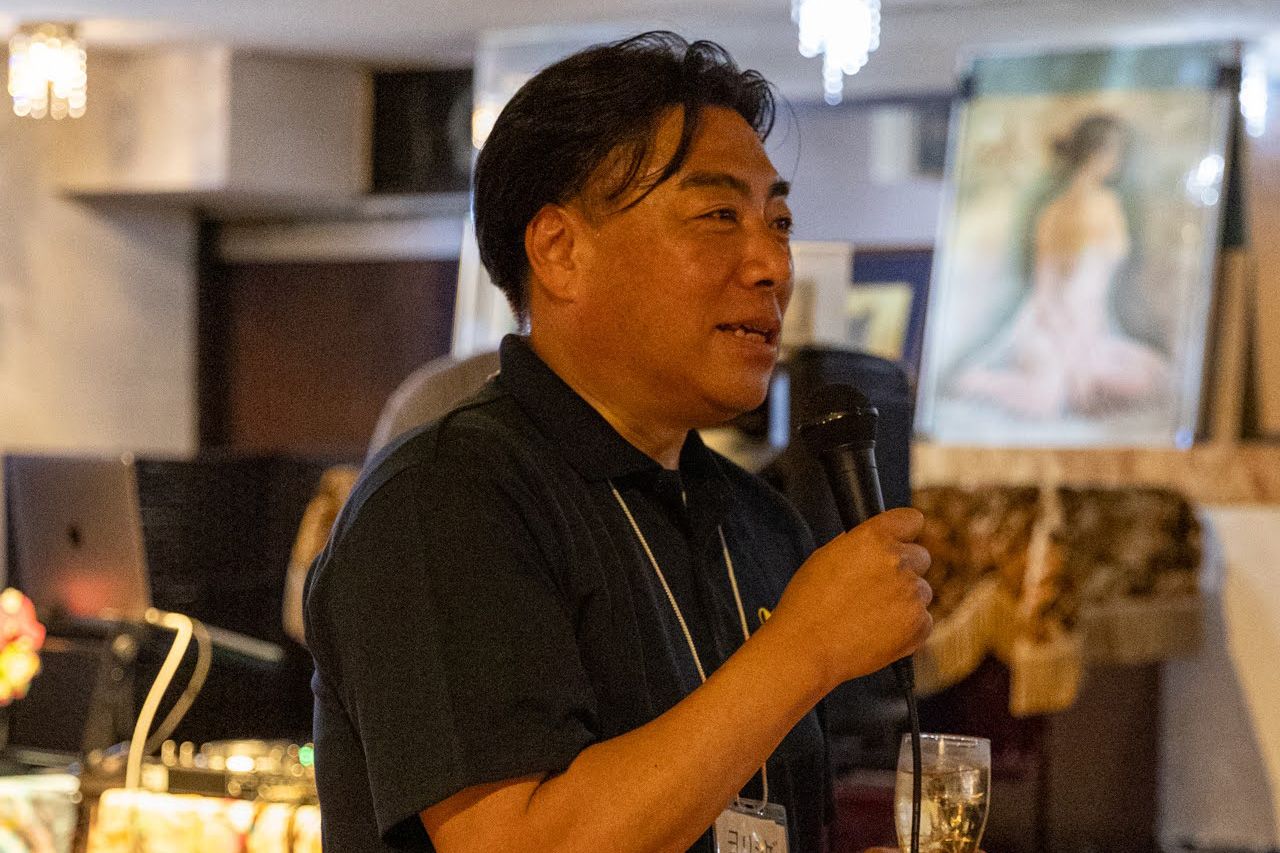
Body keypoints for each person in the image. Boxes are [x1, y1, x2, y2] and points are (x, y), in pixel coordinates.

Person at [304, 32, 932, 853]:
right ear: (560, 251)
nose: (773, 265)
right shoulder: (445, 498)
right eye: (718, 217)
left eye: (778, 221)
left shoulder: (761, 523)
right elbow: (519, 845)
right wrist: (804, 648)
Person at [953, 113, 1169, 419]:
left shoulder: (1109, 204)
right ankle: (976, 382)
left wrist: (1087, 346)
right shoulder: (1057, 213)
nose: (1118, 160)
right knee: (1049, 399)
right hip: (1051, 327)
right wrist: (1072, 354)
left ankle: (1079, 380)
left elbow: (1099, 292)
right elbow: (1046, 297)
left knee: (1154, 377)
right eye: (1113, 151)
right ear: (1095, 153)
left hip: (1093, 328)